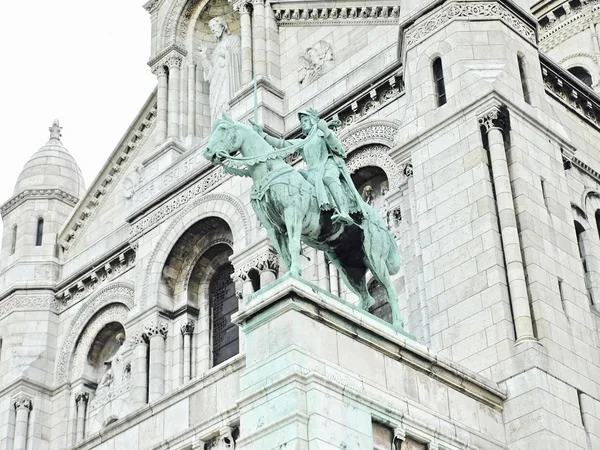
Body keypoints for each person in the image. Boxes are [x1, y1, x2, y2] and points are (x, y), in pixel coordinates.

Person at [252, 109, 363, 224]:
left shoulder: (322, 133)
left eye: (305, 120)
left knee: (328, 177)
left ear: (313, 121)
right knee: (298, 176)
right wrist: (262, 134)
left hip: (327, 166)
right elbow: (282, 144)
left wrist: (326, 131)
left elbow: (338, 148)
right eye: (302, 121)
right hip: (313, 172)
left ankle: (344, 211)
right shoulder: (303, 142)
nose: (303, 123)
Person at [198, 18, 242, 123]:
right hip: (216, 85)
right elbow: (210, 74)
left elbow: (239, 58)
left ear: (223, 26)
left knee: (225, 103)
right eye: (210, 28)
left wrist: (225, 54)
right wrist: (204, 57)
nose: (212, 29)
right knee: (217, 107)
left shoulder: (234, 39)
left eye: (214, 26)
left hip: (229, 80)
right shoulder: (215, 51)